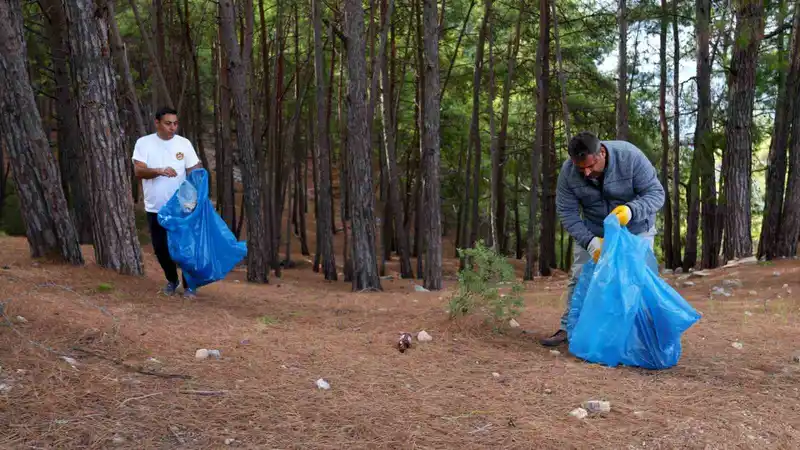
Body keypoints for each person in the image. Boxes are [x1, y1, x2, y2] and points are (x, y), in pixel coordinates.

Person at [540, 131, 665, 347]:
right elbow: (566, 211)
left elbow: (656, 194)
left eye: (590, 166)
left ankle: (641, 339)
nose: (586, 173)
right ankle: (569, 329)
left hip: (636, 228)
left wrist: (631, 210)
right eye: (581, 168)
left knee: (639, 280)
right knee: (580, 277)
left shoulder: (630, 157)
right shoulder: (569, 172)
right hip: (594, 230)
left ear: (602, 153)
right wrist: (589, 241)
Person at [132, 107, 202, 298]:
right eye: (168, 123)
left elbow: (195, 170)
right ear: (157, 123)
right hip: (156, 208)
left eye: (175, 123)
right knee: (161, 249)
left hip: (181, 208)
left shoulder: (184, 144)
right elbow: (139, 172)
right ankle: (172, 280)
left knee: (185, 249)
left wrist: (195, 193)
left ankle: (190, 287)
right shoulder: (144, 143)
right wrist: (160, 170)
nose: (173, 127)